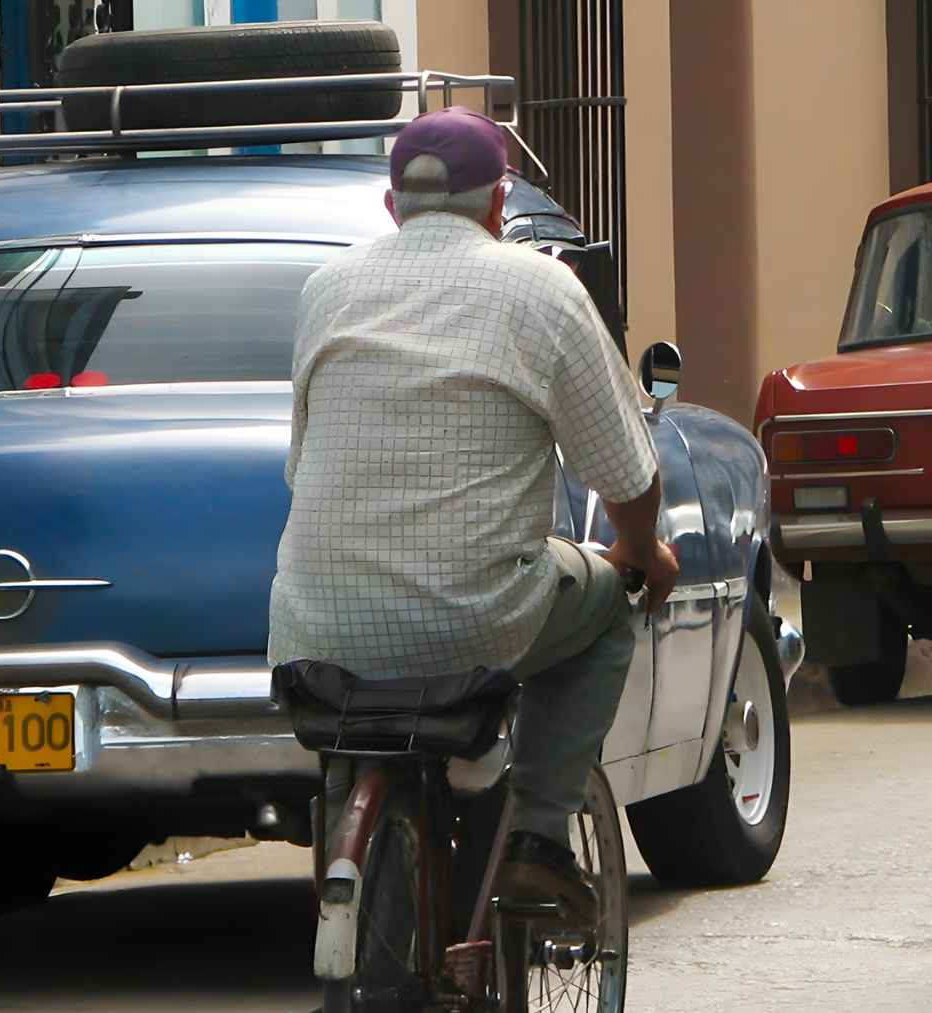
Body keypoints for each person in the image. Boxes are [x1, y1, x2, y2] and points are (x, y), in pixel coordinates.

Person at [268, 106, 678, 915]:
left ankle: (354, 891)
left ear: (392, 207)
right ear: (499, 206)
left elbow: (299, 466)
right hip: (476, 623)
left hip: (313, 635)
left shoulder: (325, 291)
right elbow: (628, 473)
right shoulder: (542, 289)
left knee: (357, 733)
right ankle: (537, 837)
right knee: (603, 611)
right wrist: (640, 553)